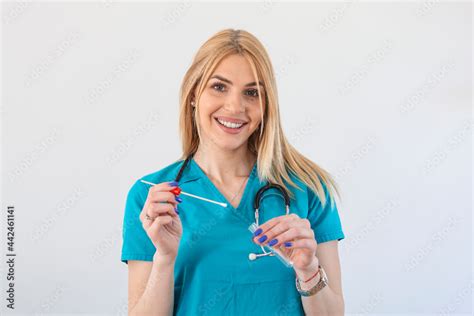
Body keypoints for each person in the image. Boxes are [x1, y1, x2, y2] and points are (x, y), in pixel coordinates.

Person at [121, 28, 345, 316]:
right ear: (193, 94)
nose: (235, 106)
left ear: (266, 106)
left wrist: (308, 268)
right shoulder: (151, 197)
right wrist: (165, 258)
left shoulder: (310, 190)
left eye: (252, 93)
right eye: (219, 87)